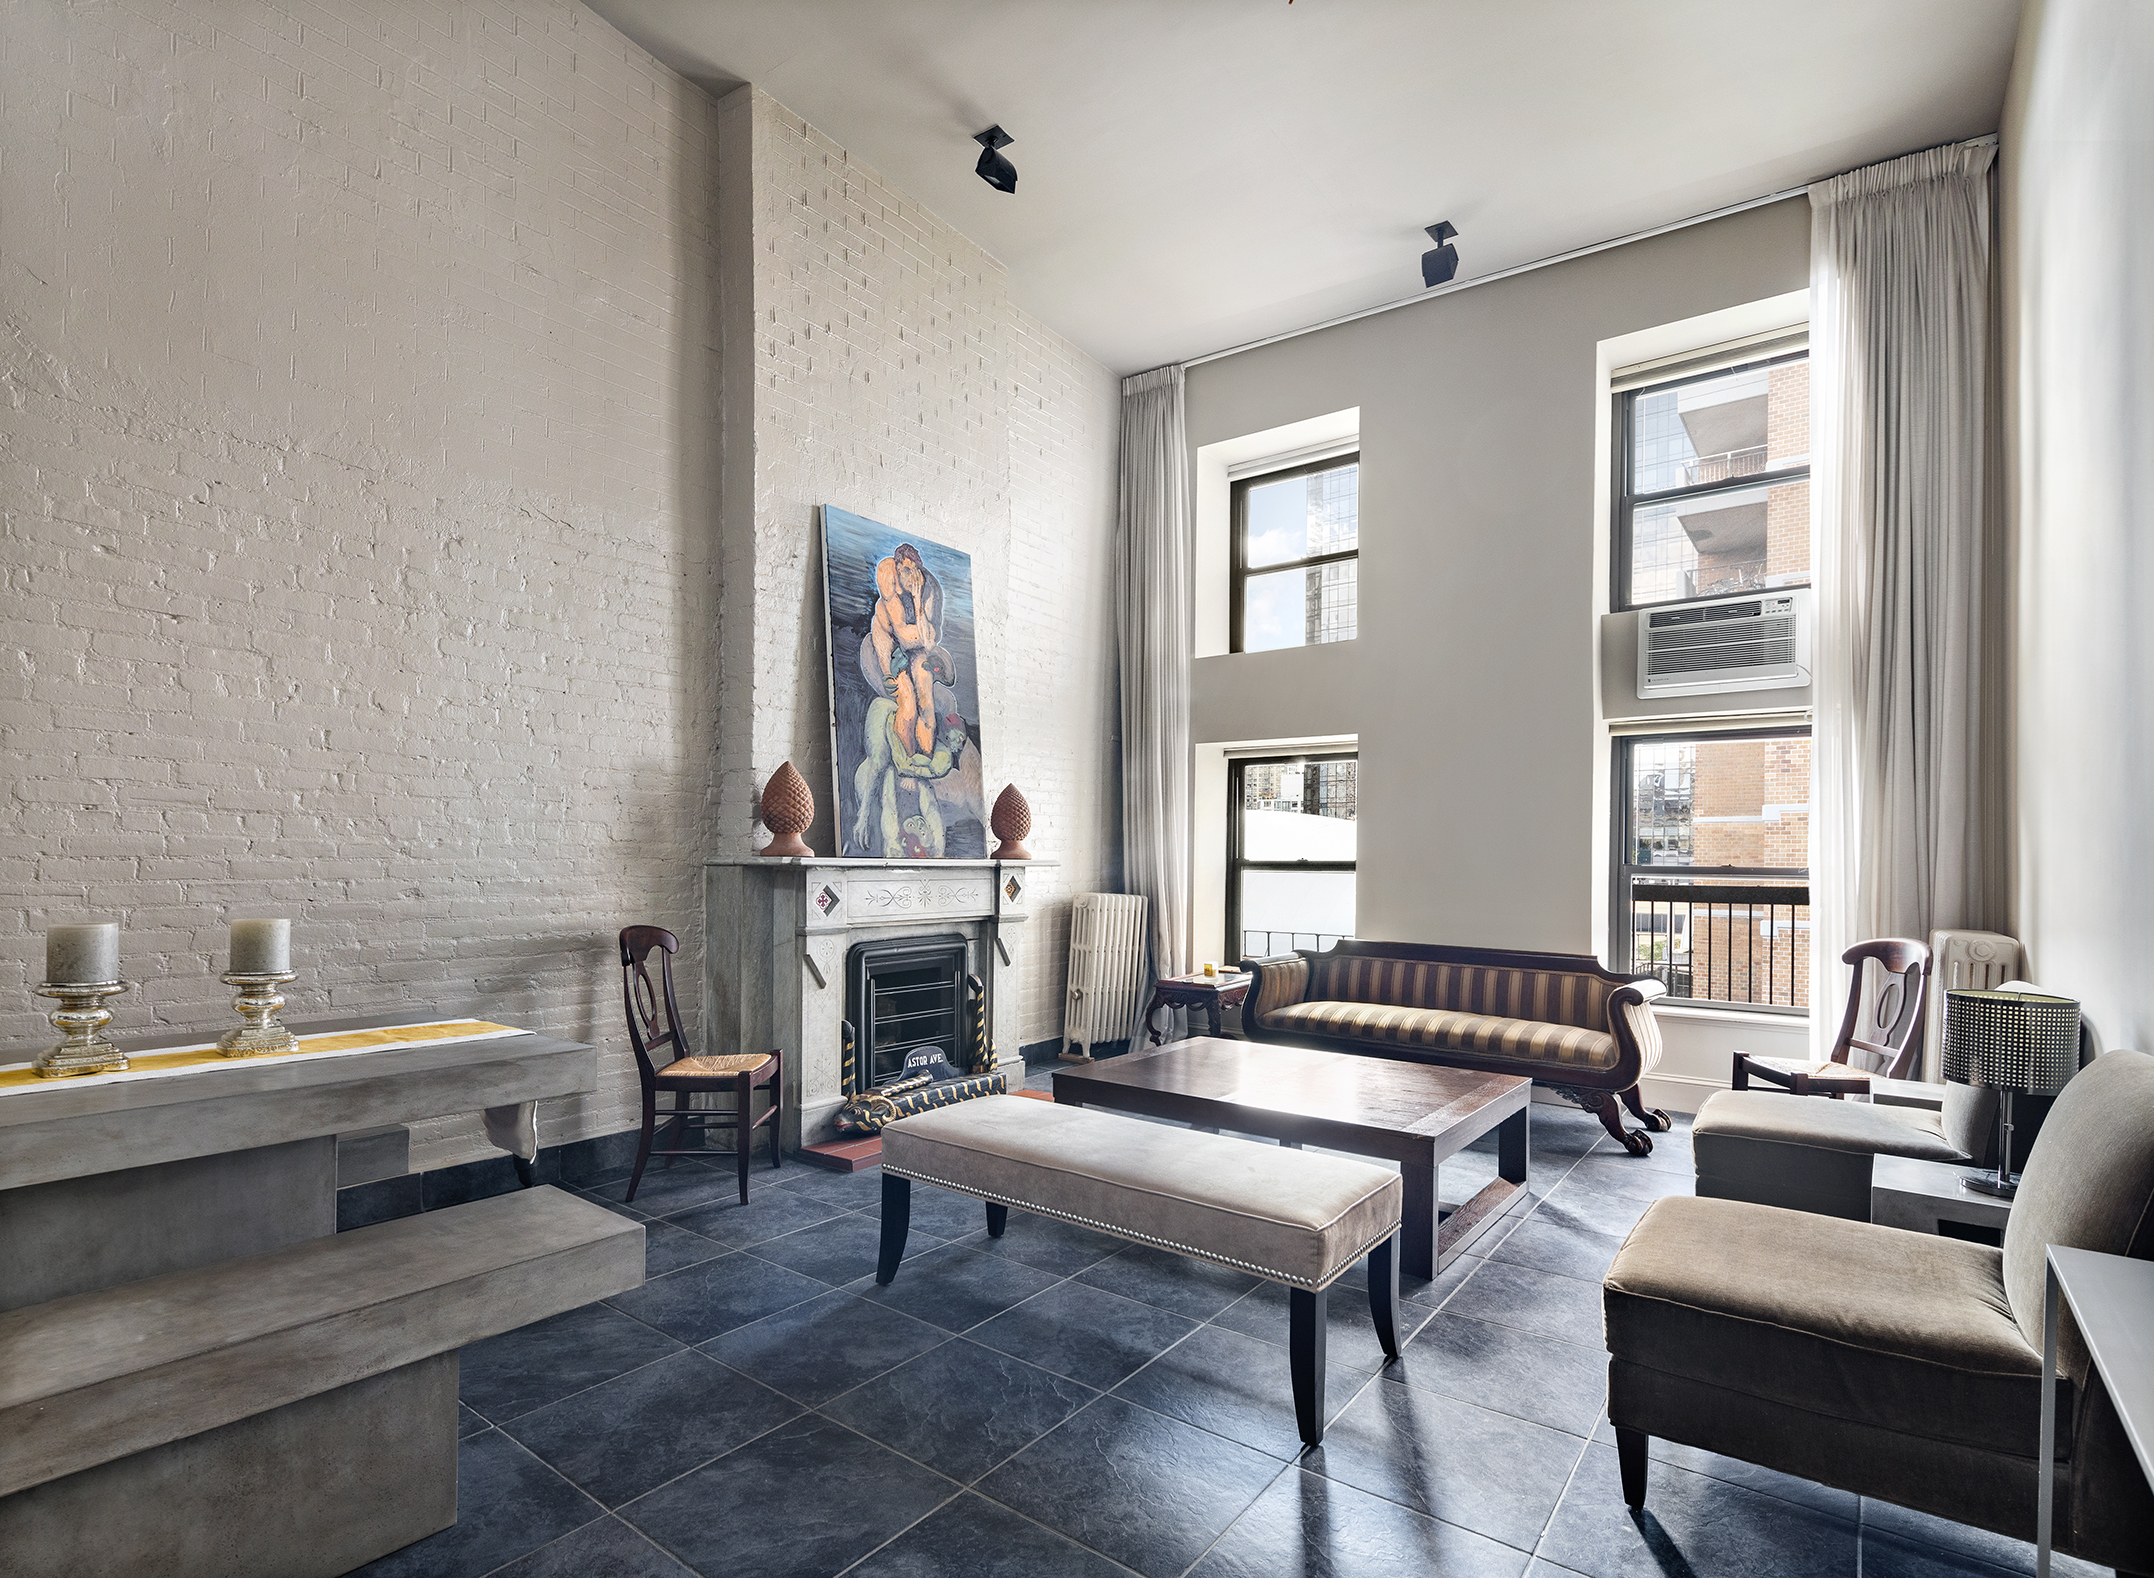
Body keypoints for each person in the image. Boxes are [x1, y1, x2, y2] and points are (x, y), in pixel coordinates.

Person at [868, 544, 940, 756]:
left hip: (916, 647)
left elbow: (927, 643)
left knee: (926, 703)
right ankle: (907, 763)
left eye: (914, 572)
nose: (909, 578)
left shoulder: (929, 589)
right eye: (905, 571)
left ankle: (925, 758)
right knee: (908, 706)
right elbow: (904, 637)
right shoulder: (886, 572)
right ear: (898, 567)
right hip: (891, 643)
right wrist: (919, 632)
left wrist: (917, 601)